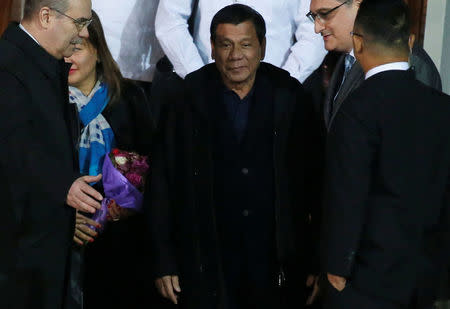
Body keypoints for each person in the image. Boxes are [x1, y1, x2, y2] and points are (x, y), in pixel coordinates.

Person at [148, 4, 323, 309]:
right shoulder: (186, 99)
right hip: (205, 263)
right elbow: (161, 184)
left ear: (262, 47)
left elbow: (317, 185)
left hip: (276, 266)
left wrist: (317, 260)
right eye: (226, 45)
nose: (235, 55)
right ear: (212, 48)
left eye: (245, 44)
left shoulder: (290, 97)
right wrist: (164, 260)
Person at [321, 0, 450, 308]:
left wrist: (337, 267)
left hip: (367, 280)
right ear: (410, 41)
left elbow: (347, 196)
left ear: (359, 42)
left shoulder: (356, 110)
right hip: (424, 276)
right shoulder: (443, 108)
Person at [0, 0, 104, 308]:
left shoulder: (37, 63)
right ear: (46, 16)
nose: (84, 34)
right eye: (79, 22)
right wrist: (64, 184)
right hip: (16, 262)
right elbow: (11, 144)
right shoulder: (8, 66)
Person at [63, 10, 155, 309]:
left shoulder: (130, 96)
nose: (67, 58)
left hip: (122, 241)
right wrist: (64, 219)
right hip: (64, 239)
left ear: (98, 51)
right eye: (61, 49)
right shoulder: (47, 102)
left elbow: (152, 165)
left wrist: (129, 204)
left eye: (76, 47)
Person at [308, 0, 442, 131]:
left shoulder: (408, 62)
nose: (317, 28)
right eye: (314, 17)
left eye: (325, 14)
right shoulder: (342, 58)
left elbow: (409, 142)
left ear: (359, 5)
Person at [155, 0, 327, 83]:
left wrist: (284, 82)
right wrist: (198, 78)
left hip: (275, 87)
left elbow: (314, 30)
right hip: (206, 86)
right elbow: (169, 20)